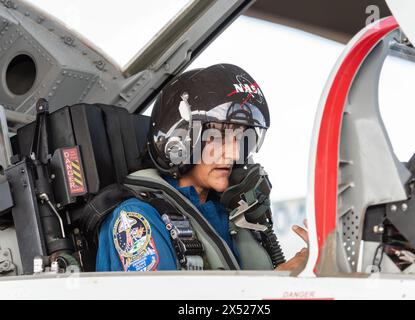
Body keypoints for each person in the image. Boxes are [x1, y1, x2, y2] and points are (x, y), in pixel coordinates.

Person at [96, 63, 308, 272]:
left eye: (241, 138)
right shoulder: (136, 219)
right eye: (219, 137)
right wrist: (278, 283)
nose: (234, 154)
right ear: (179, 140)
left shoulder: (229, 214)